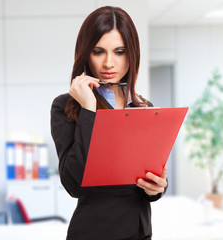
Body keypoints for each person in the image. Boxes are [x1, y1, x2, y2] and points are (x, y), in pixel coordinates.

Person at [50, 6, 168, 240]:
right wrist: (88, 110)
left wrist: (158, 188)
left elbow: (149, 182)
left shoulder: (144, 107)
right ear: (86, 53)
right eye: (98, 51)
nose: (109, 63)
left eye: (119, 51)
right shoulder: (66, 106)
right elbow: (74, 184)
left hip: (139, 233)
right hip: (91, 233)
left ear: (132, 53)